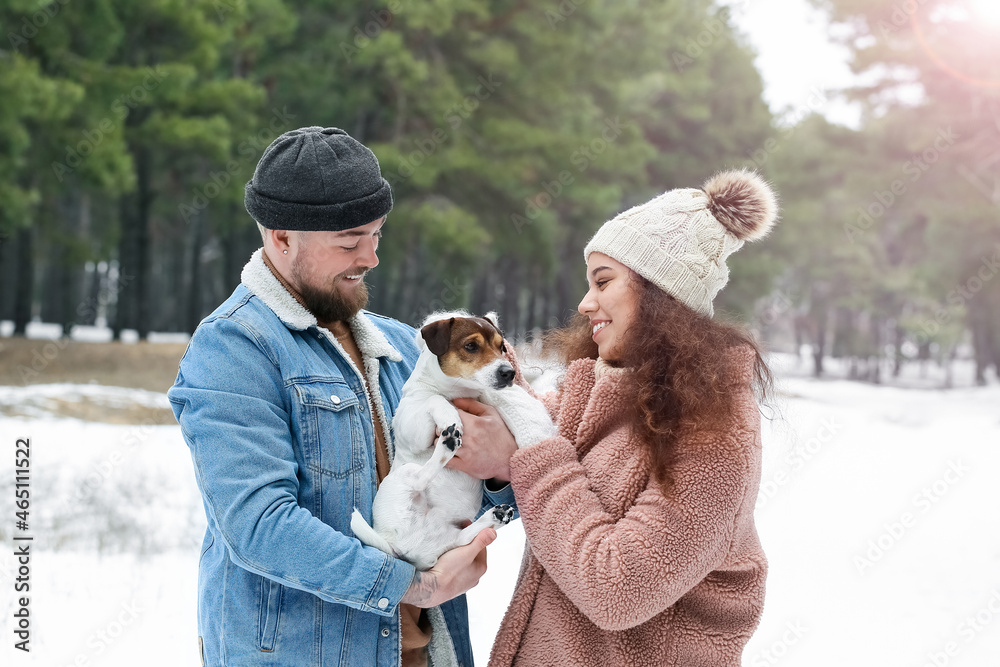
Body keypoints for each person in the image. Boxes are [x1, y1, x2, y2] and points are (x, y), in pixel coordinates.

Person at [168, 126, 515, 667]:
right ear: (282, 237)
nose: (371, 256)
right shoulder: (233, 348)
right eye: (351, 241)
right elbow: (259, 524)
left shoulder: (405, 346)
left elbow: (479, 490)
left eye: (377, 235)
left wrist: (498, 473)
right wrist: (411, 586)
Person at [451, 169, 779, 666]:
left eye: (604, 282)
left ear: (660, 291)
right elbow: (537, 434)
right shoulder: (605, 393)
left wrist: (527, 454)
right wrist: (495, 383)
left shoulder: (717, 431)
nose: (585, 304)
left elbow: (617, 588)